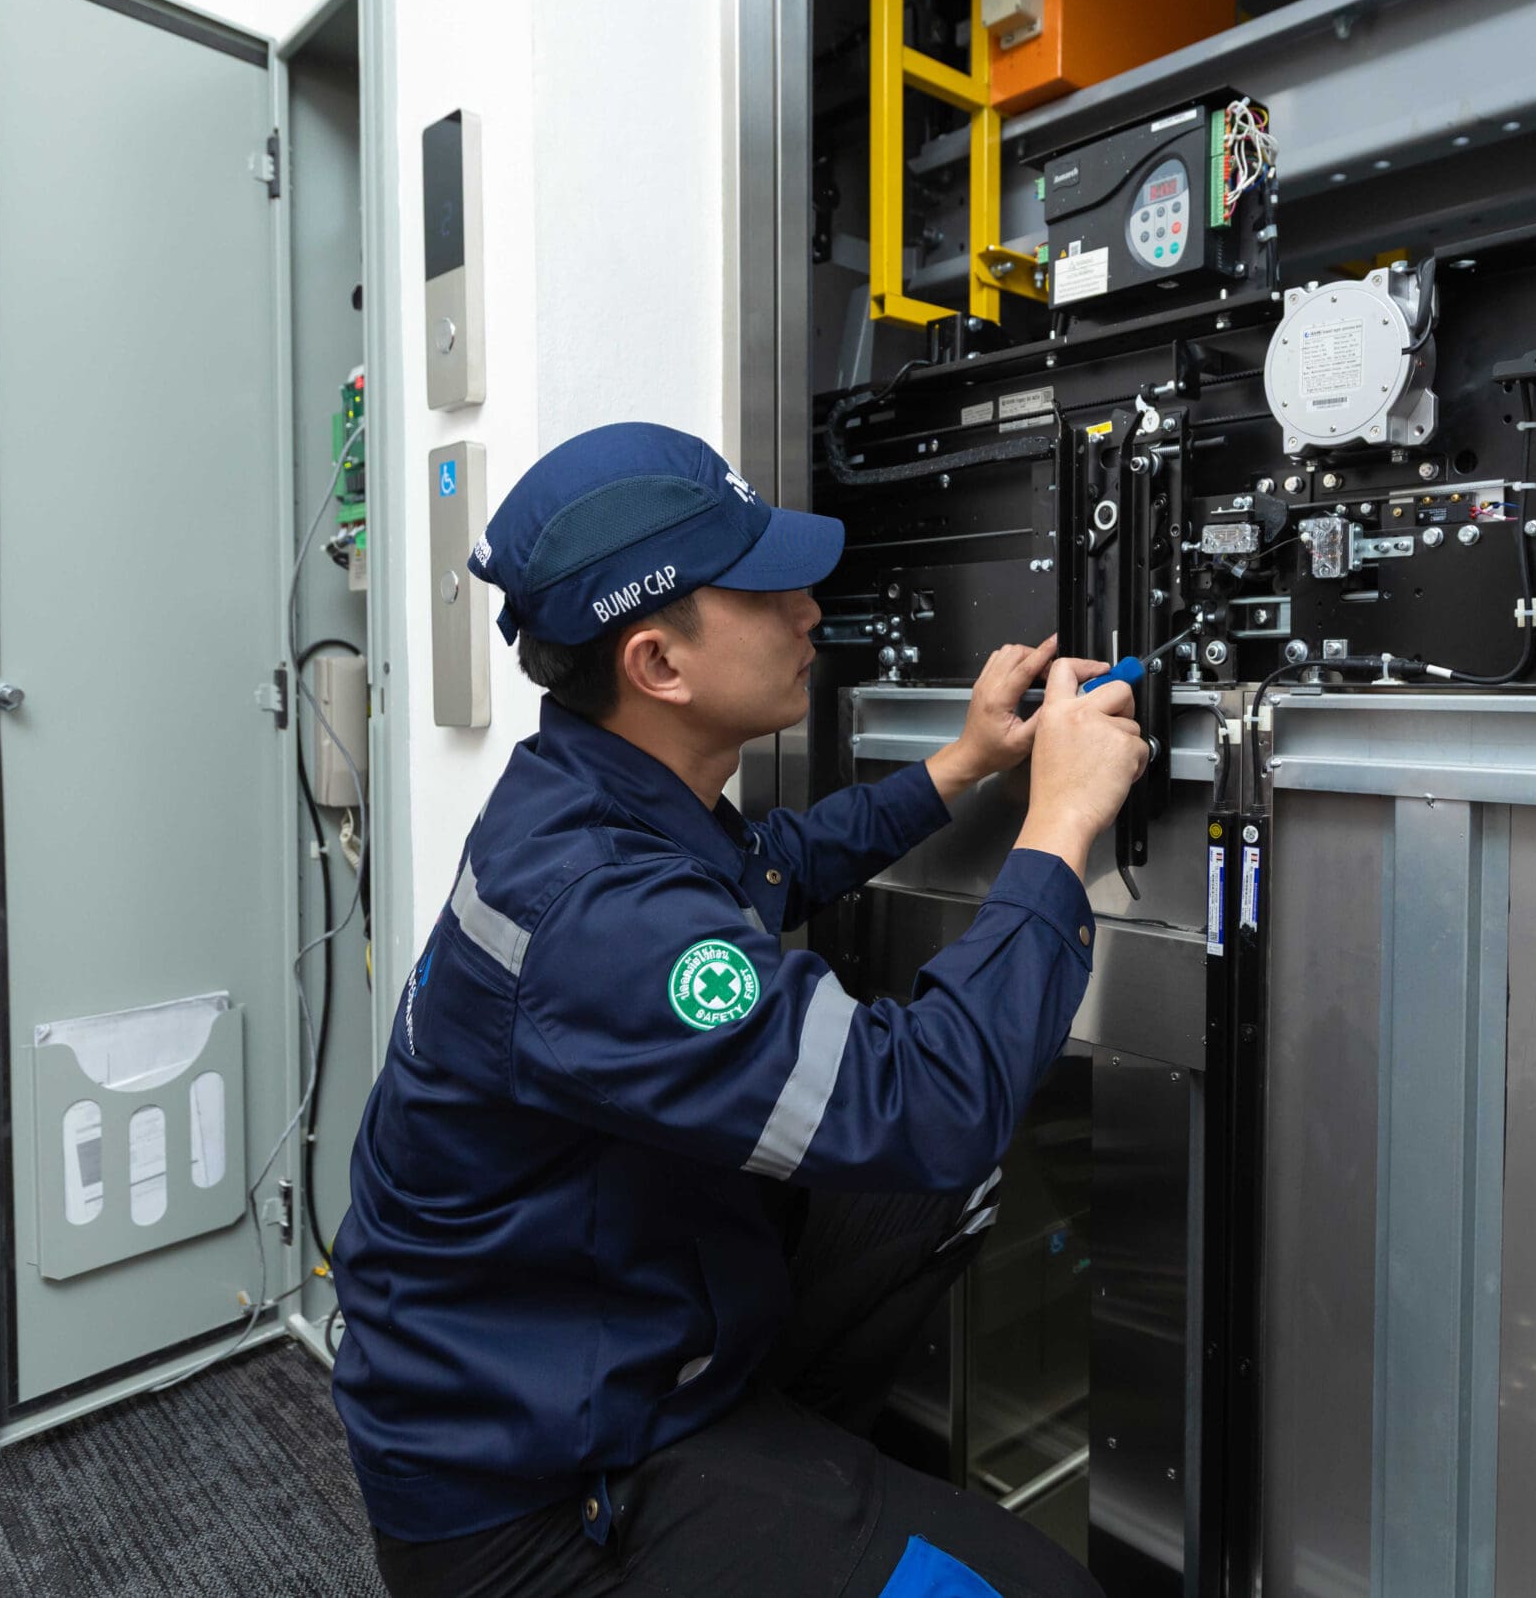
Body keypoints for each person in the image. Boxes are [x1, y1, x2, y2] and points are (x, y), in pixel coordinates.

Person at [331, 422, 1146, 1597]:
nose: (809, 612)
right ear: (658, 664)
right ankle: (759, 1511)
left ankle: (785, 1471)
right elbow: (926, 1102)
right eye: (766, 591)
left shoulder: (599, 791)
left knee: (924, 1196)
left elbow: (772, 862)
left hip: (603, 1324)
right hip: (539, 1498)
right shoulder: (595, 913)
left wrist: (962, 766)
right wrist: (1060, 822)